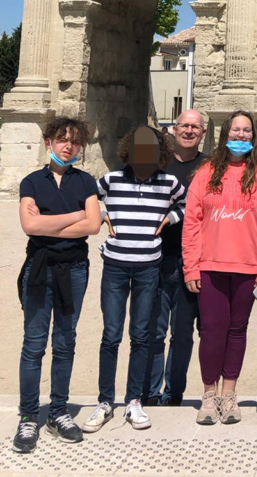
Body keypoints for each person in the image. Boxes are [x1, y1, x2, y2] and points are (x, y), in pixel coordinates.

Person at [82, 125, 185, 434]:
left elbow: (188, 204)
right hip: (114, 265)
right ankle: (105, 401)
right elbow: (84, 196)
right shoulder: (111, 179)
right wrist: (101, 215)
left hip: (148, 268)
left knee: (141, 336)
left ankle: (133, 401)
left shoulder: (169, 182)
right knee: (111, 335)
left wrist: (170, 218)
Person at [182, 110, 257, 425]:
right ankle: (208, 395)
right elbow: (192, 223)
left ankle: (229, 394)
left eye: (247, 131)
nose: (241, 135)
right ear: (224, 135)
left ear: (254, 136)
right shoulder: (206, 172)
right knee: (211, 332)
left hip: (247, 267)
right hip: (210, 265)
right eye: (235, 130)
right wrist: (190, 267)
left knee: (237, 332)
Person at [13, 118, 101, 454]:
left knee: (65, 342)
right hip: (39, 269)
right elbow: (28, 225)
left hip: (74, 269)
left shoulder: (85, 181)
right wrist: (74, 217)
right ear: (49, 141)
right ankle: (29, 415)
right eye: (62, 139)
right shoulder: (31, 180)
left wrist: (47, 224)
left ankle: (59, 411)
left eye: (75, 141)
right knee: (33, 345)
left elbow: (93, 226)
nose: (68, 146)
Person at [143, 108, 208, 406]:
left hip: (192, 261)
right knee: (153, 332)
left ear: (203, 133)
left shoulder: (209, 166)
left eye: (195, 127)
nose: (189, 131)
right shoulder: (157, 163)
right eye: (184, 126)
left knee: (182, 334)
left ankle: (174, 394)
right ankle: (150, 392)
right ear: (173, 129)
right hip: (156, 258)